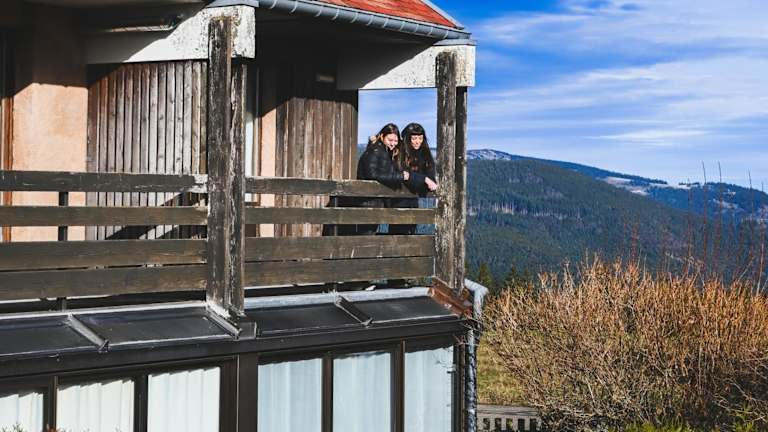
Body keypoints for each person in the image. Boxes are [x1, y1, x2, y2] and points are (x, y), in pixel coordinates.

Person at [355, 123, 413, 235]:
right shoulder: (376, 151)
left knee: (369, 233)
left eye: (395, 141)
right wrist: (400, 176)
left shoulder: (382, 150)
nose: (393, 143)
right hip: (369, 200)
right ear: (382, 136)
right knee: (367, 233)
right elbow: (372, 174)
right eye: (390, 140)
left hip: (374, 200)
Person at [389, 122, 438, 235]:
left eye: (420, 138)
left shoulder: (425, 153)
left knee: (411, 232)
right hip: (399, 200)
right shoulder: (399, 152)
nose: (417, 141)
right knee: (398, 233)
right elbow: (403, 174)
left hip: (413, 200)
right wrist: (424, 180)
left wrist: (419, 180)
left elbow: (431, 177)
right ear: (408, 139)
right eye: (414, 138)